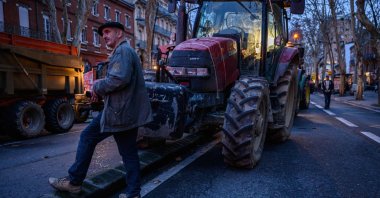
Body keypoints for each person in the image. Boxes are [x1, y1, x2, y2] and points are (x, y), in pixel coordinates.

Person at [48, 21, 152, 198]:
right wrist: (101, 92)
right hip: (125, 111)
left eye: (108, 32)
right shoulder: (126, 51)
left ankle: (74, 182)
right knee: (129, 153)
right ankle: (133, 193)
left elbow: (119, 79)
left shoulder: (122, 51)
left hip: (119, 113)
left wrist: (97, 85)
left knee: (87, 137)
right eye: (102, 33)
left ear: (119, 33)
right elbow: (121, 85)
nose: (104, 36)